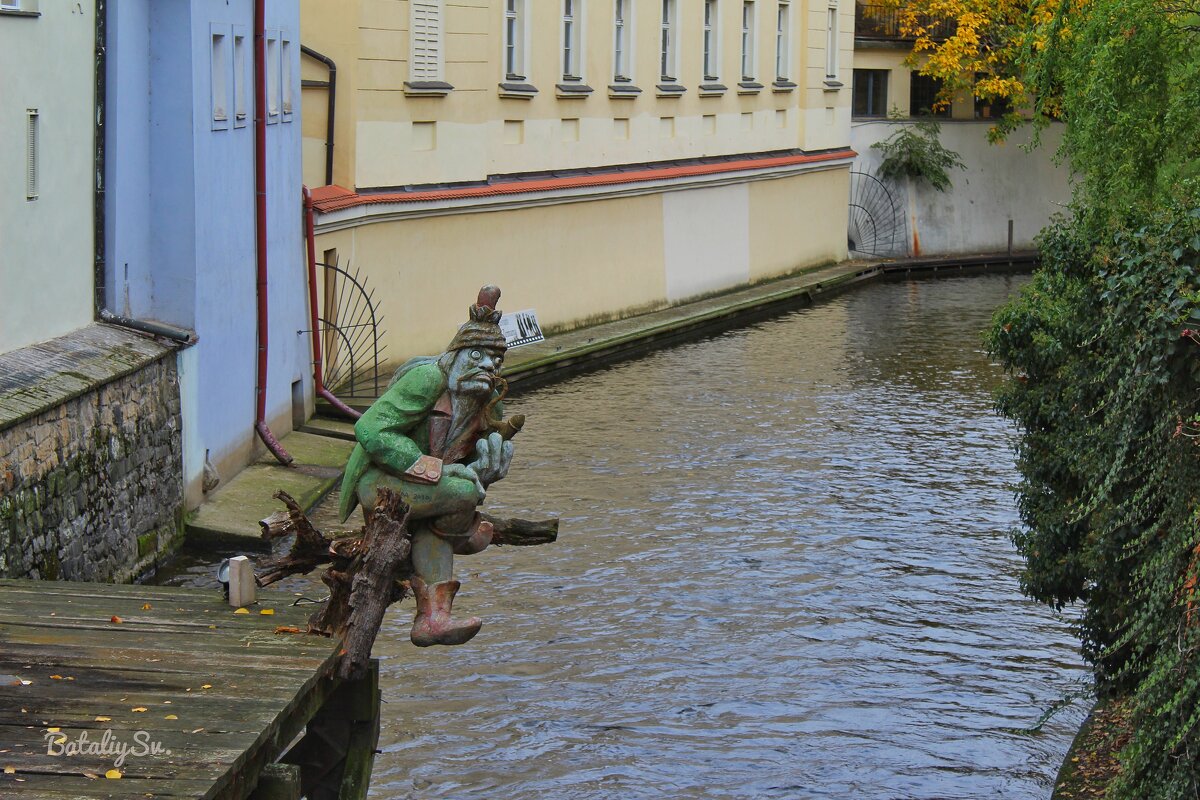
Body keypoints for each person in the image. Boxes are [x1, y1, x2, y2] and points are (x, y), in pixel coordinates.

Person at [338, 285, 516, 646]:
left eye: (495, 360)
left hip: (423, 493)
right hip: (381, 481)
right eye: (478, 355)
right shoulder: (429, 379)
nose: (488, 366)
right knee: (461, 492)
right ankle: (461, 532)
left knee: (454, 497)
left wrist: (487, 468)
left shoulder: (486, 400)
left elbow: (465, 465)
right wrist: (433, 468)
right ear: (456, 354)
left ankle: (433, 619)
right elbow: (369, 428)